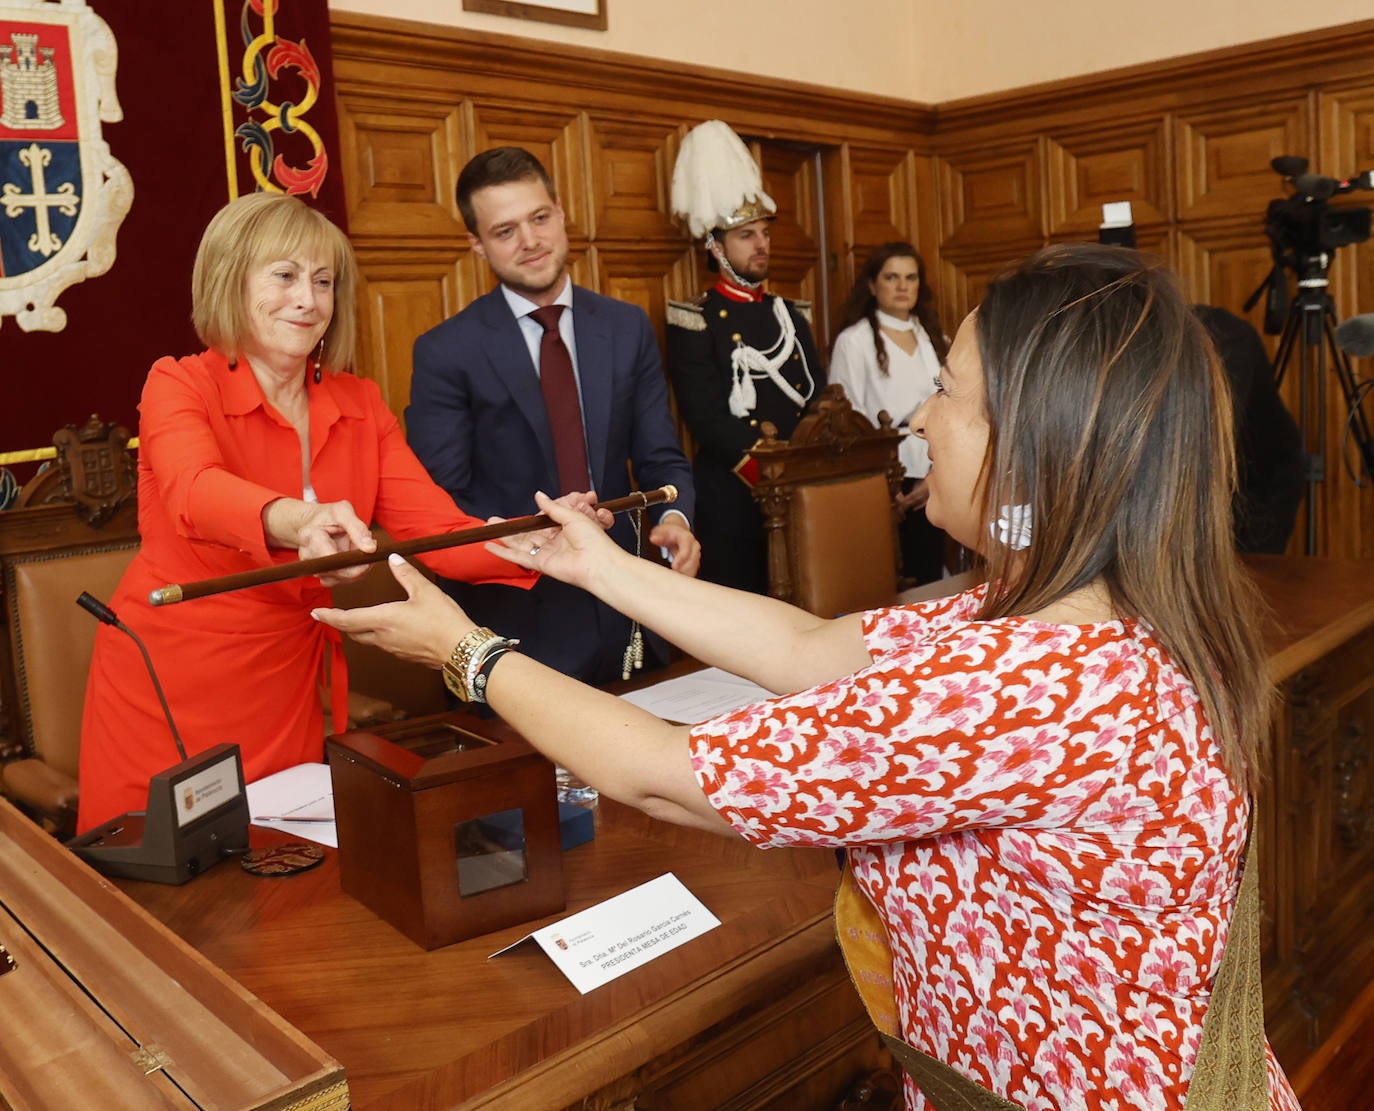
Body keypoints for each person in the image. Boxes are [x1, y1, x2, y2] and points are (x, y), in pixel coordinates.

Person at [317, 242, 1301, 1109]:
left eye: (951, 392)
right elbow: (810, 650)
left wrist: (465, 653)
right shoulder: (1086, 614)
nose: (923, 412)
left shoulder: (1022, 685)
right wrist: (599, 565)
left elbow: (660, 768)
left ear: (1032, 447)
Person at [76, 192, 553, 834]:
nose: (309, 298)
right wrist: (297, 521)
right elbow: (192, 491)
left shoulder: (359, 401)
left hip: (289, 682)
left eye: (324, 281)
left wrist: (538, 540)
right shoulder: (181, 383)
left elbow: (436, 533)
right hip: (170, 682)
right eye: (285, 276)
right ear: (230, 280)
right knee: (160, 890)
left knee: (285, 876)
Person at [407, 147, 698, 685]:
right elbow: (441, 503)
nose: (531, 241)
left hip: (633, 609)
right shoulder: (446, 352)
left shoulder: (626, 326)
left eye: (539, 218)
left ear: (561, 213)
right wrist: (532, 545)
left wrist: (675, 522)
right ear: (477, 244)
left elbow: (662, 458)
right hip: (519, 625)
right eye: (505, 230)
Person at [665, 120, 824, 594]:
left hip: (800, 488)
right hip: (736, 493)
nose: (762, 245)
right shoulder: (694, 318)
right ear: (716, 247)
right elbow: (707, 417)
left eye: (764, 233)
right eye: (746, 236)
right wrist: (771, 476)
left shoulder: (790, 313)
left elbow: (814, 396)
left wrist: (805, 477)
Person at [829, 242, 949, 584]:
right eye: (891, 277)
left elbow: (955, 408)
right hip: (883, 478)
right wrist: (884, 486)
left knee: (930, 576)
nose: (902, 286)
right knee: (890, 580)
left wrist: (936, 477)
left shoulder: (935, 338)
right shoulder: (854, 341)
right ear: (872, 285)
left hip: (934, 474)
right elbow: (845, 420)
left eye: (910, 278)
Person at [1192, 304, 1305, 554]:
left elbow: (1207, 438)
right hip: (1220, 486)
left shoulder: (1229, 337)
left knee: (1256, 580)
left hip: (1265, 486)